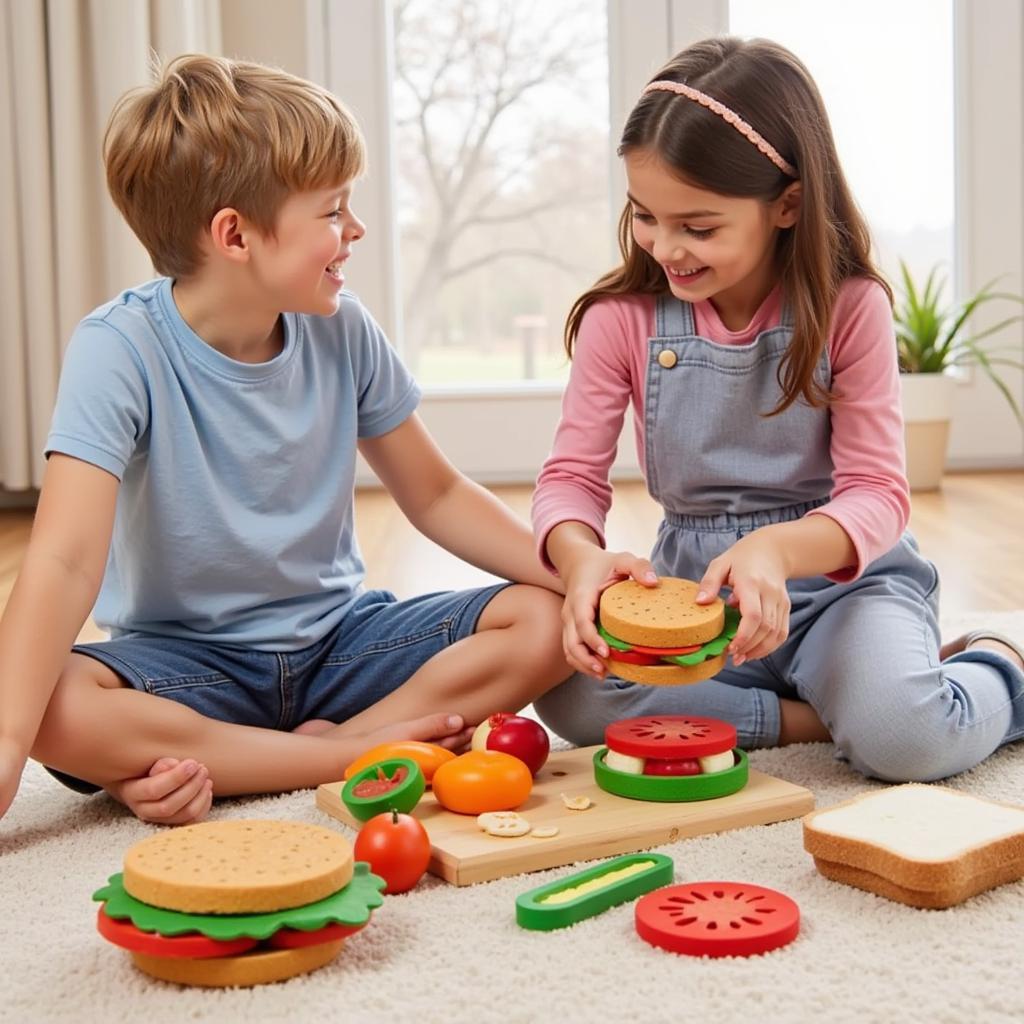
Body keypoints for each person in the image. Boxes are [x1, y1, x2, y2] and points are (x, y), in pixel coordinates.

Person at [0, 54, 572, 827]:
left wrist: (576, 576)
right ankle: (344, 757)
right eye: (333, 211)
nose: (356, 229)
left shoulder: (343, 328)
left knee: (540, 620)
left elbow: (435, 494)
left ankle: (267, 755)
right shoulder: (119, 347)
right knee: (55, 705)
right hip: (188, 665)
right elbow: (64, 558)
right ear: (235, 235)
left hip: (341, 647)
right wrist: (6, 738)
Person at [530, 36, 1024, 782]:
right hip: (702, 603)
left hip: (843, 592)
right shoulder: (620, 320)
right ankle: (819, 717)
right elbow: (571, 479)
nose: (666, 247)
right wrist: (580, 561)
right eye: (645, 217)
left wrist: (777, 553)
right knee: (571, 695)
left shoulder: (849, 310)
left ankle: (999, 668)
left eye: (698, 227)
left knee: (913, 741)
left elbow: (879, 494)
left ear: (787, 204)